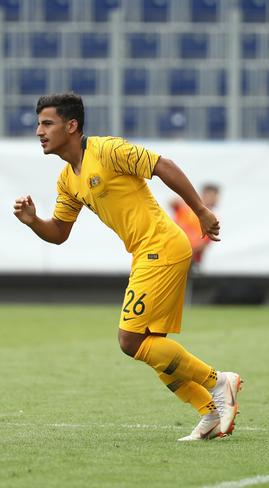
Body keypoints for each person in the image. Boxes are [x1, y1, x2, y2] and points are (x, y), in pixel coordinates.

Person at [13, 93, 241, 442]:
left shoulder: (107, 150)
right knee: (152, 345)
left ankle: (218, 382)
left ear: (71, 126)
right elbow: (59, 233)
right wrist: (32, 221)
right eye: (38, 124)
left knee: (130, 341)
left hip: (162, 246)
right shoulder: (67, 179)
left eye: (47, 123)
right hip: (145, 253)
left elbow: (163, 165)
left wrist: (201, 211)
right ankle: (208, 412)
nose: (39, 131)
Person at [171, 184, 220, 268]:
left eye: (216, 196)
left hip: (189, 259)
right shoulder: (187, 208)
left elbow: (203, 245)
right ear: (203, 195)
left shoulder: (213, 219)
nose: (215, 199)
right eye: (212, 196)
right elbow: (173, 202)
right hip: (175, 255)